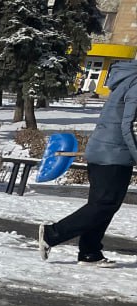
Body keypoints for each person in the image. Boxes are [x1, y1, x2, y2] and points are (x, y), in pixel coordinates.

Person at [37, 58, 137, 266]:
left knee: (103, 205)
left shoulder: (127, 79)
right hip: (114, 153)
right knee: (105, 204)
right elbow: (130, 126)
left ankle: (90, 252)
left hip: (106, 150)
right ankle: (52, 233)